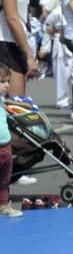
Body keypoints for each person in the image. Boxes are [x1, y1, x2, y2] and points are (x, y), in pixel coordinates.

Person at [0, 63, 22, 217]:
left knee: (4, 180)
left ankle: (2, 205)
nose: (7, 85)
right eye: (2, 82)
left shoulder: (1, 101)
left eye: (8, 81)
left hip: (5, 146)